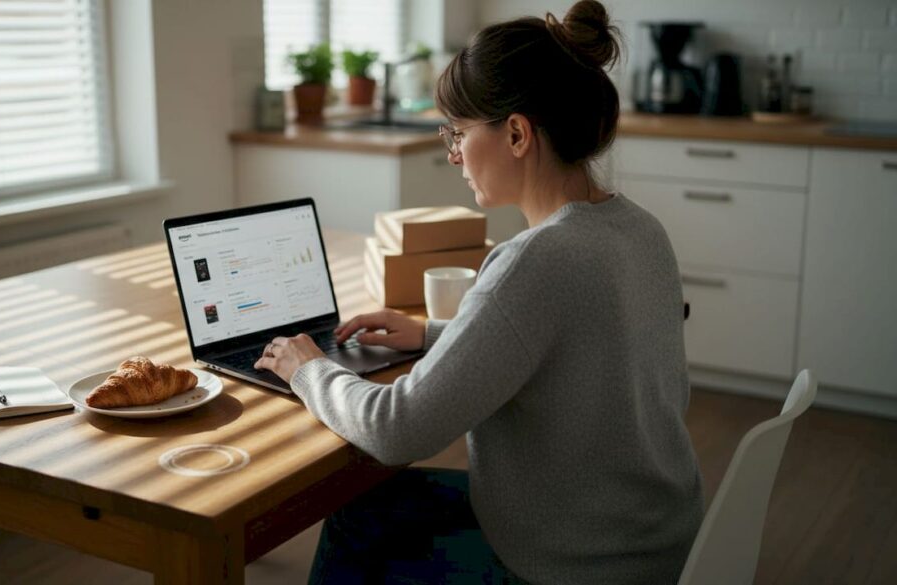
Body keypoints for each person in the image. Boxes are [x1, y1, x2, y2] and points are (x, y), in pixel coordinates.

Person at [254, 1, 704, 583]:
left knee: (356, 515)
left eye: (459, 132)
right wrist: (434, 333)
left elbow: (397, 429)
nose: (452, 153)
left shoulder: (534, 260)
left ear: (516, 133)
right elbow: (583, 349)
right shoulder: (640, 228)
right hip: (651, 537)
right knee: (370, 509)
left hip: (580, 563)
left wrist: (306, 368)